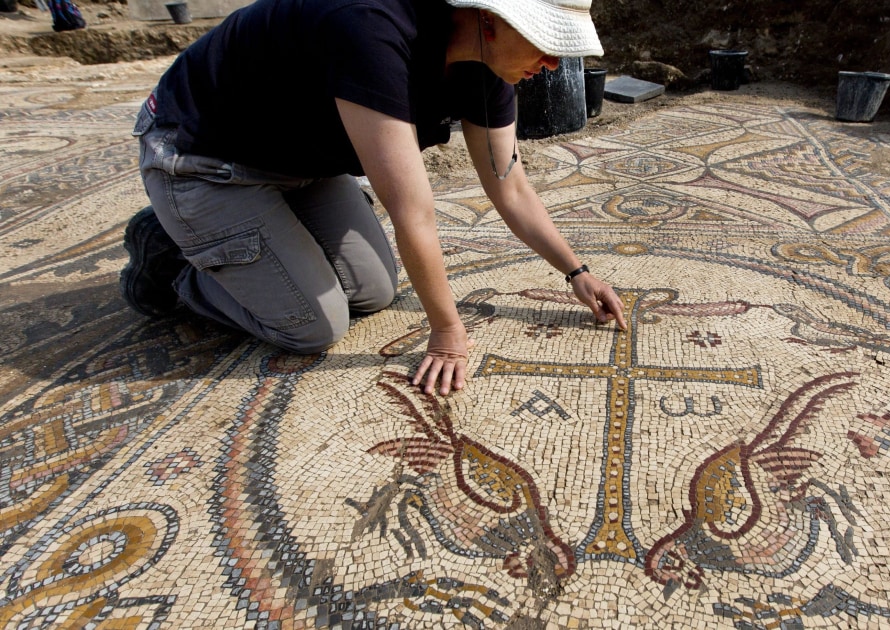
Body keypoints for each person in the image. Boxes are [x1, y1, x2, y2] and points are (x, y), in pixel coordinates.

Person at [120, 0, 627, 396]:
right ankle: (170, 261)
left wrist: (577, 272)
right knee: (312, 326)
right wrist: (448, 333)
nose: (555, 60)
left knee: (374, 292)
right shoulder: (371, 28)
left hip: (305, 165)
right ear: (491, 19)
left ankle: (257, 237)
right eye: (545, 39)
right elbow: (412, 209)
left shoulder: (487, 64)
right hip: (202, 159)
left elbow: (510, 186)